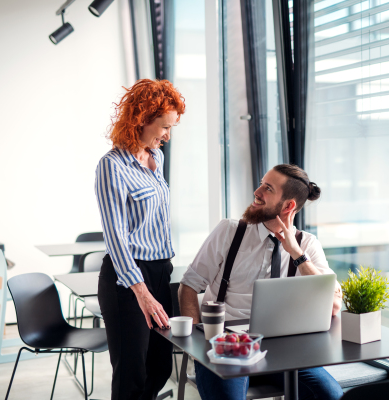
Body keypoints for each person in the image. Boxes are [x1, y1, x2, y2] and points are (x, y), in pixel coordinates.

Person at [178, 164, 344, 400]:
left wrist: (296, 254)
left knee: (332, 396)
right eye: (261, 184)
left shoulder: (307, 245)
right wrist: (197, 345)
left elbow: (334, 306)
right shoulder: (229, 231)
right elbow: (189, 285)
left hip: (284, 350)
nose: (257, 192)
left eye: (268, 188)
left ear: (288, 206)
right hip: (227, 348)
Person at [95, 79, 185, 400]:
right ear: (141, 119)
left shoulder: (155, 159)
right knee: (131, 377)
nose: (168, 136)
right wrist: (142, 293)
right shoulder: (112, 167)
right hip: (128, 280)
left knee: (160, 367)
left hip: (162, 271)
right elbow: (116, 238)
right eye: (164, 127)